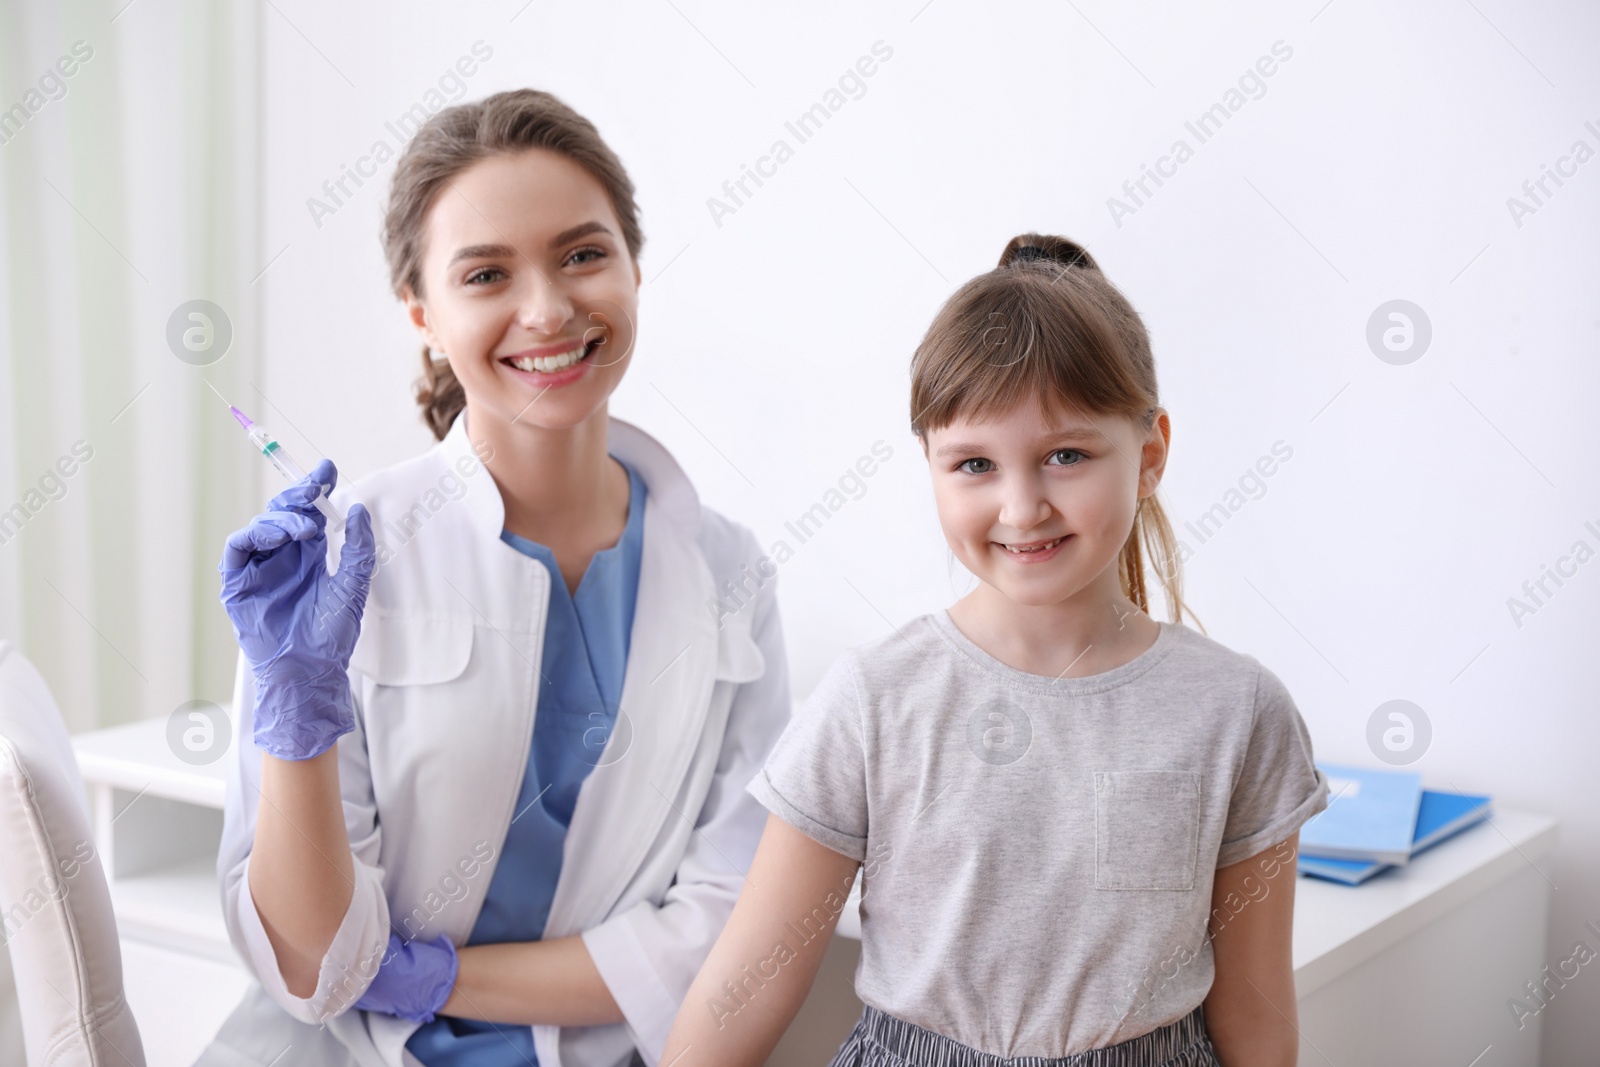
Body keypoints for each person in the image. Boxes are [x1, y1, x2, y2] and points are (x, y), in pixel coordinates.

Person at [199, 89, 792, 1067]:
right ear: (424, 314)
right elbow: (309, 967)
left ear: (634, 267)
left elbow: (727, 929)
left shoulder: (730, 574)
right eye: (486, 273)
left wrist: (433, 972)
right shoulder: (340, 571)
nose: (548, 308)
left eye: (583, 254)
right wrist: (291, 719)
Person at [660, 234, 1332, 1067]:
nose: (1022, 508)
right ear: (932, 468)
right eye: (974, 463)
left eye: (1065, 456)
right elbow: (745, 987)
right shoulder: (873, 699)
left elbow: (1257, 1015)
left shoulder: (1240, 711)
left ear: (1151, 453)